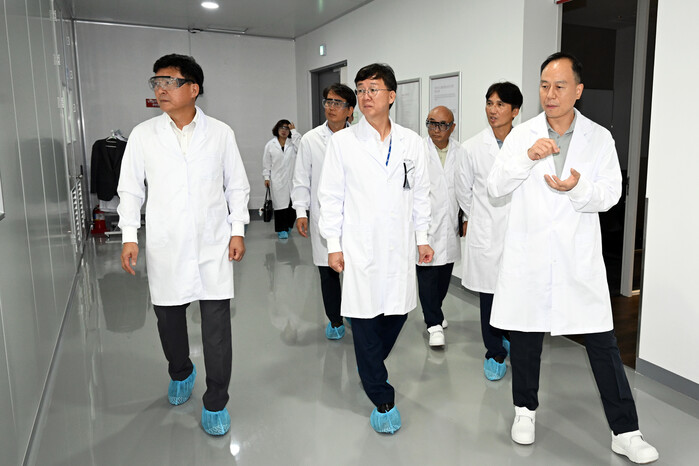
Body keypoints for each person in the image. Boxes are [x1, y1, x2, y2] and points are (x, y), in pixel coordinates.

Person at [487, 52, 658, 464]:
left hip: (576, 259)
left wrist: (578, 188)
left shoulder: (598, 138)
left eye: (560, 86)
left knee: (602, 344)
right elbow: (495, 187)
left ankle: (626, 431)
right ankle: (524, 410)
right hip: (529, 254)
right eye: (544, 85)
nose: (550, 94)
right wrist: (527, 158)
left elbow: (611, 194)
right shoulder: (522, 135)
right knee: (526, 338)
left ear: (578, 91)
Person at [117, 54, 250, 436]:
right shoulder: (143, 135)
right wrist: (129, 236)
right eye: (156, 81)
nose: (160, 89)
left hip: (213, 245)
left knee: (217, 330)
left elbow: (236, 185)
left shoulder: (220, 133)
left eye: (169, 82)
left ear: (193, 89)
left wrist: (237, 229)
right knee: (169, 323)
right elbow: (130, 189)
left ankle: (216, 401)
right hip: (167, 246)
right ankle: (181, 370)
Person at [318, 63, 433, 434]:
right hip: (359, 245)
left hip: (399, 244)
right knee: (365, 316)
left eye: (373, 89)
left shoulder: (411, 142)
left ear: (391, 96)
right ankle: (381, 396)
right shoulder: (342, 143)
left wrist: (423, 238)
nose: (365, 96)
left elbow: (421, 195)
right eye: (361, 90)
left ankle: (369, 363)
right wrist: (333, 245)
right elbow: (330, 197)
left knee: (398, 311)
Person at [458, 82, 522, 380]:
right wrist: (479, 218)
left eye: (500, 104)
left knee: (514, 292)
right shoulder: (471, 147)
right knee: (489, 296)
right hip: (486, 228)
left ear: (515, 111)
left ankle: (508, 337)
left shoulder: (525, 145)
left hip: (518, 231)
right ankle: (494, 351)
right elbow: (463, 191)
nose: (493, 110)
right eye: (489, 103)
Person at [291, 83, 356, 340]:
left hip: (355, 217)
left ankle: (354, 313)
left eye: (338, 103)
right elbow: (301, 178)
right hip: (323, 215)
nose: (331, 107)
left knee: (354, 272)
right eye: (328, 101)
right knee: (328, 272)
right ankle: (335, 320)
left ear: (350, 110)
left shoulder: (360, 138)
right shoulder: (310, 139)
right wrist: (301, 212)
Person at [417, 106, 463, 347]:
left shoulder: (461, 152)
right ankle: (433, 323)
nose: (436, 129)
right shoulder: (417, 150)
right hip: (424, 224)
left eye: (442, 125)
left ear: (452, 127)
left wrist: (465, 218)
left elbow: (466, 188)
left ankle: (435, 309)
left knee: (444, 274)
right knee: (426, 275)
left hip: (449, 224)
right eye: (431, 123)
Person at [263, 119, 302, 239]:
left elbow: (302, 147)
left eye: (287, 128)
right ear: (277, 129)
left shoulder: (293, 143)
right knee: (280, 207)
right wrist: (266, 177)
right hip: (277, 180)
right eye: (281, 128)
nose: (284, 131)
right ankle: (281, 230)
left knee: (293, 205)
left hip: (293, 179)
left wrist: (294, 132)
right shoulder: (270, 145)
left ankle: (289, 225)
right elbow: (266, 163)